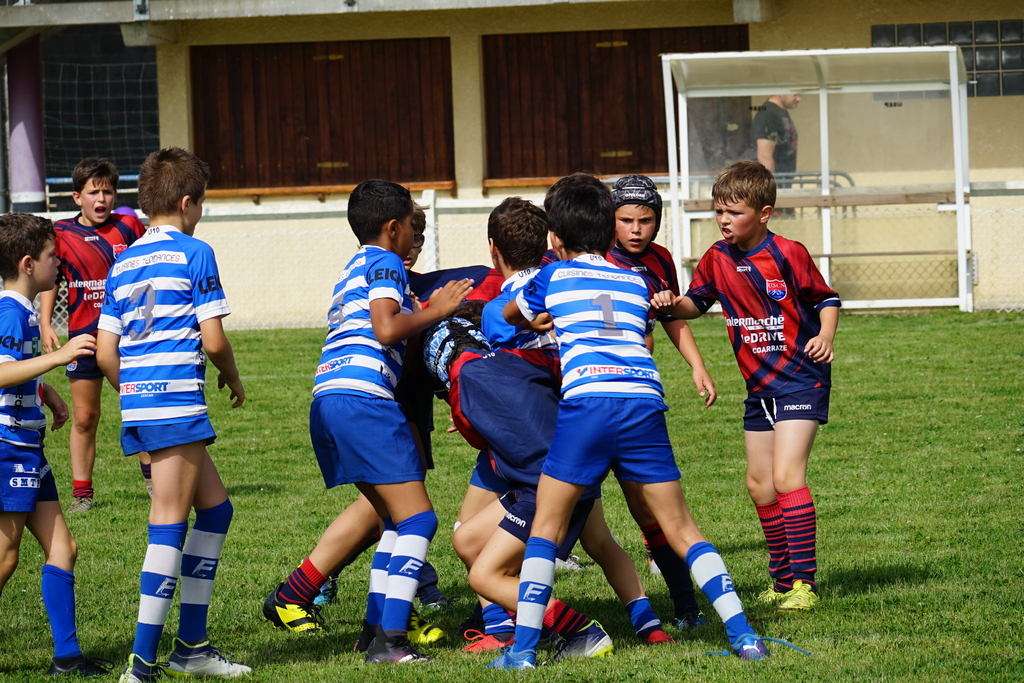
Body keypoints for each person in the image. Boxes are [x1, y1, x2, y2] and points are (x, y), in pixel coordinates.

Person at [489, 173, 770, 669]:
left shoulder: (551, 277)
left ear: (556, 237)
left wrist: (533, 316)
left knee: (546, 530)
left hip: (588, 405)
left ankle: (523, 651)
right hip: (643, 402)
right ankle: (744, 634)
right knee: (681, 527)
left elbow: (509, 314)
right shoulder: (637, 281)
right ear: (609, 230)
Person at [265, 179, 472, 664]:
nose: (415, 238)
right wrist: (438, 310)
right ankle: (390, 642)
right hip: (364, 399)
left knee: (394, 521)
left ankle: (375, 631)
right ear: (393, 228)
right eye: (412, 227)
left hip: (330, 397)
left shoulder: (353, 265)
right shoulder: (386, 262)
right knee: (419, 519)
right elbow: (385, 328)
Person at [651, 160, 840, 612]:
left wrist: (825, 335)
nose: (723, 220)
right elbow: (696, 304)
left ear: (764, 213)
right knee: (759, 486)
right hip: (759, 388)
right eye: (719, 211)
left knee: (786, 477)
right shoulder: (717, 258)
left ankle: (804, 584)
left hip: (801, 379)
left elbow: (827, 298)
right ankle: (781, 580)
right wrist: (668, 304)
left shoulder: (788, 253)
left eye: (734, 212)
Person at [95, 148, 250, 682]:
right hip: (175, 405)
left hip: (142, 405)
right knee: (167, 525)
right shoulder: (195, 252)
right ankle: (140, 666)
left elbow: (106, 352)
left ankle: (192, 647)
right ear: (187, 203)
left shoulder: (123, 261)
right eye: (200, 204)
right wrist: (232, 376)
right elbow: (214, 339)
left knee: (216, 511)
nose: (200, 214)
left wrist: (136, 392)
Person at [0, 213, 110, 677]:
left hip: (29, 446)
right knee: (5, 556)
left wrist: (47, 394)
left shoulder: (23, 311)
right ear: (28, 264)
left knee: (64, 547)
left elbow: (17, 370)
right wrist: (59, 357)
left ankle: (67, 658)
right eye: (52, 256)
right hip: (8, 448)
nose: (60, 264)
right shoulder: (11, 311)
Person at [607, 174, 716, 631]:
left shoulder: (660, 258)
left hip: (634, 397)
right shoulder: (589, 254)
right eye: (626, 220)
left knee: (646, 505)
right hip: (584, 394)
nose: (636, 229)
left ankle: (686, 608)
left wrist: (697, 365)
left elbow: (671, 314)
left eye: (646, 220)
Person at [38, 158, 150, 513]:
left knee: (140, 407)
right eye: (93, 192)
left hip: (128, 337)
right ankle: (82, 496)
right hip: (83, 337)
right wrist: (45, 324)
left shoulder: (129, 226)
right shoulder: (62, 234)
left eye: (108, 191)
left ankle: (155, 482)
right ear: (77, 197)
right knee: (85, 417)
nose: (101, 198)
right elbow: (52, 281)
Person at [750, 94, 800, 178]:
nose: (799, 98)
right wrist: (771, 184)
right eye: (795, 95)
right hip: (775, 181)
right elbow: (764, 156)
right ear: (781, 93)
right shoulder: (768, 113)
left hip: (783, 180)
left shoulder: (779, 112)